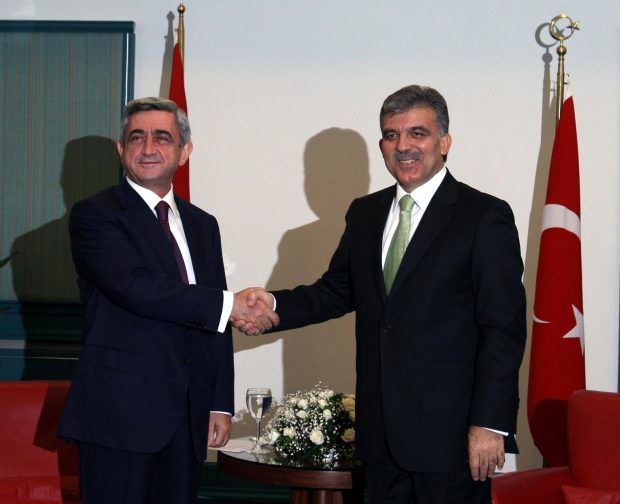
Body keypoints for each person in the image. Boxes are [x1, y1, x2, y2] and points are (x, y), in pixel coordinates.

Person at [234, 85, 526, 503]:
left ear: (444, 142)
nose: (403, 146)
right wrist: (273, 305)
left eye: (417, 134)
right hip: (380, 439)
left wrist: (489, 423)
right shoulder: (366, 213)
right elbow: (337, 291)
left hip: (452, 439)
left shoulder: (483, 216)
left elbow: (503, 327)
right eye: (391, 135)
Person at [58, 97, 278, 503]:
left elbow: (211, 316)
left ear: (184, 151)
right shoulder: (96, 215)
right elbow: (137, 288)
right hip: (120, 414)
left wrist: (218, 403)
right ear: (121, 149)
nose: (148, 148)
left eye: (162, 138)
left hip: (189, 413)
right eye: (136, 138)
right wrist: (232, 305)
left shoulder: (202, 224)